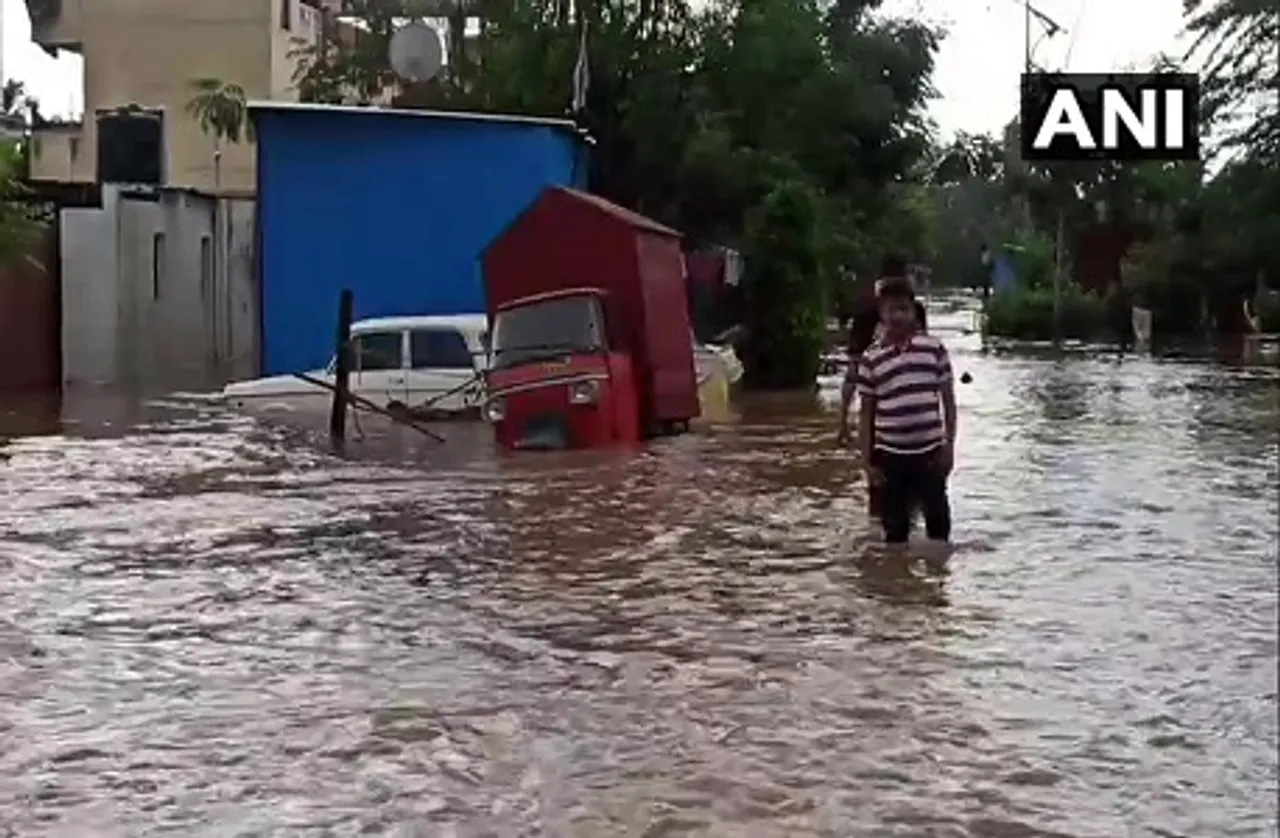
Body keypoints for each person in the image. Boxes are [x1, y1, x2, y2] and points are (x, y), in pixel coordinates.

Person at [854, 276, 956, 545]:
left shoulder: (933, 349)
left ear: (914, 311)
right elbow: (866, 415)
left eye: (904, 308)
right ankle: (896, 585)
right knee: (895, 534)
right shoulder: (870, 359)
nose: (898, 316)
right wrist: (866, 461)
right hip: (891, 458)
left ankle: (935, 584)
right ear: (882, 314)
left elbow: (948, 400)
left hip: (930, 454)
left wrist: (949, 445)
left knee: (939, 528)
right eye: (891, 309)